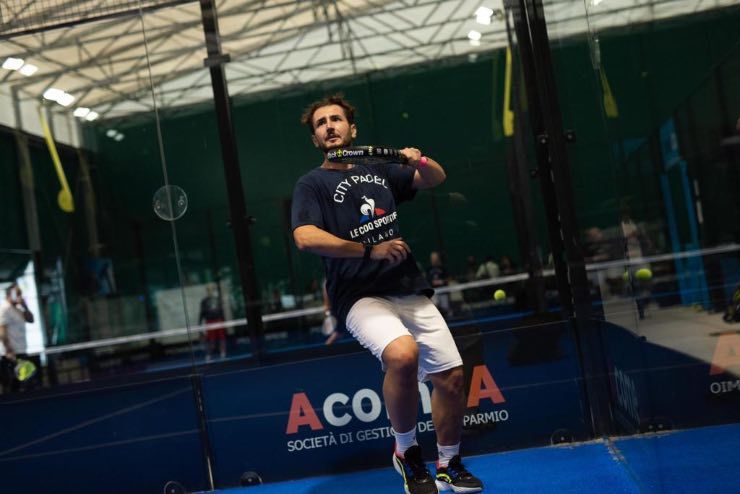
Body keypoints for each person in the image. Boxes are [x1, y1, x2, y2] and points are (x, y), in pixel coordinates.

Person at [291, 94, 483, 494]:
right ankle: (406, 452)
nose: (329, 126)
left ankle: (448, 462)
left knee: (450, 377)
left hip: (407, 288)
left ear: (352, 129)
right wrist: (368, 249)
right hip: (359, 296)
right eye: (321, 123)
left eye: (336, 119)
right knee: (402, 354)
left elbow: (436, 179)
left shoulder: (379, 172)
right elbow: (305, 237)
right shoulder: (312, 184)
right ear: (315, 139)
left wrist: (418, 161)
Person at [0, 283, 35, 394]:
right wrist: (8, 350)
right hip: (11, 355)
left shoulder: (19, 309)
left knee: (23, 385)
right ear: (10, 294)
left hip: (22, 351)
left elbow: (31, 319)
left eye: (20, 294)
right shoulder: (4, 308)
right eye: (17, 294)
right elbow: (2, 331)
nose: (20, 296)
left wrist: (25, 306)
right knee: (12, 386)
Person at [198, 283, 227, 360]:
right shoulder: (204, 301)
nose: (211, 291)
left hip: (219, 321)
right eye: (209, 289)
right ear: (207, 291)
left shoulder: (218, 300)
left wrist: (224, 322)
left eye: (212, 289)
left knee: (221, 338)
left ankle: (223, 353)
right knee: (210, 339)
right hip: (209, 322)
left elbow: (221, 311)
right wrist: (200, 323)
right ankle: (208, 355)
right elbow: (202, 313)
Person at [426, 251, 451, 317]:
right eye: (432, 258)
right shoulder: (428, 269)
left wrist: (442, 281)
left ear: (438, 258)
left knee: (445, 309)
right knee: (435, 307)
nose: (434, 260)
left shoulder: (442, 268)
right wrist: (431, 282)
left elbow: (448, 278)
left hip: (443, 291)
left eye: (435, 258)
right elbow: (426, 280)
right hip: (434, 292)